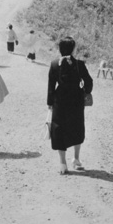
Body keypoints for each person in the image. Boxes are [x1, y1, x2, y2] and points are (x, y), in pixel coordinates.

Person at [47, 36, 93, 175]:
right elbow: (89, 81)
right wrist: (85, 91)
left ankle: (63, 163)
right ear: (73, 49)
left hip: (60, 100)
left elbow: (51, 86)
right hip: (76, 100)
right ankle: (76, 159)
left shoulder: (54, 64)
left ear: (60, 49)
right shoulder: (79, 64)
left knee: (59, 129)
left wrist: (50, 103)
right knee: (76, 127)